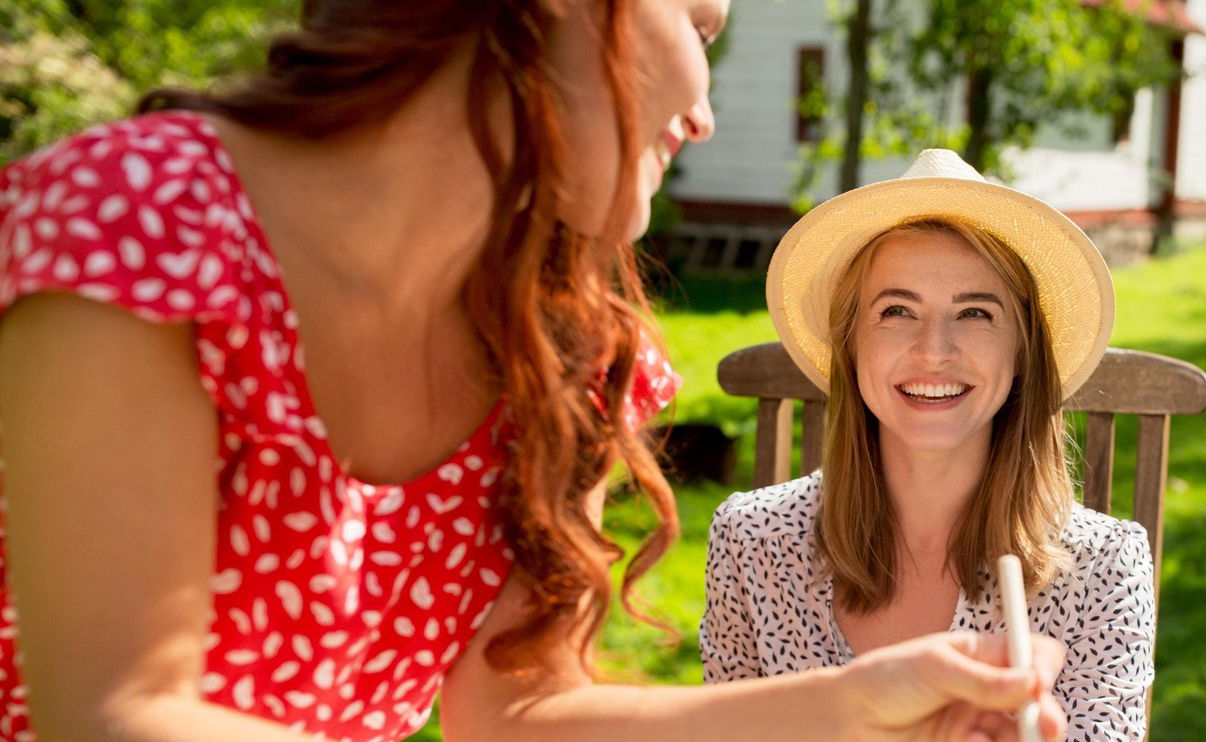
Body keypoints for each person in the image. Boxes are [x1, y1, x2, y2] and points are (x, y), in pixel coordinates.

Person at [0, 1, 1068, 741]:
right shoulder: (142, 222)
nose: (702, 115)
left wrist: (854, 707)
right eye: (700, 31)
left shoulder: (569, 348)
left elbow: (518, 712)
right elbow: (115, 711)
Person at [702, 149, 1157, 741]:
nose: (934, 350)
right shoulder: (751, 541)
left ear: (1022, 352)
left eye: (974, 313)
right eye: (896, 310)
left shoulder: (1103, 566)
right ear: (851, 345)